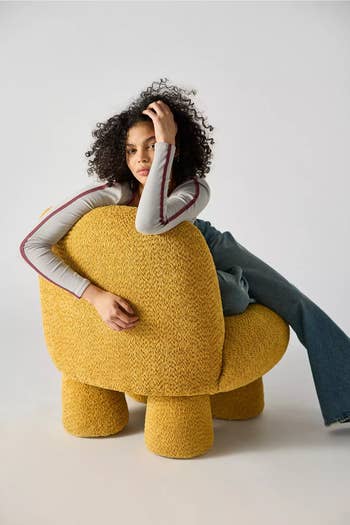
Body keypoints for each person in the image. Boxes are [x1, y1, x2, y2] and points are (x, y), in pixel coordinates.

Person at [19, 78, 350, 428]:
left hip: (205, 247)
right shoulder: (110, 192)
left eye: (153, 146)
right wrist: (94, 295)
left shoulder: (194, 189)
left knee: (295, 303)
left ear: (175, 147)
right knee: (237, 295)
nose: (142, 159)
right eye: (132, 150)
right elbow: (31, 244)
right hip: (163, 271)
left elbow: (150, 222)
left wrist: (168, 145)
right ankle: (239, 285)